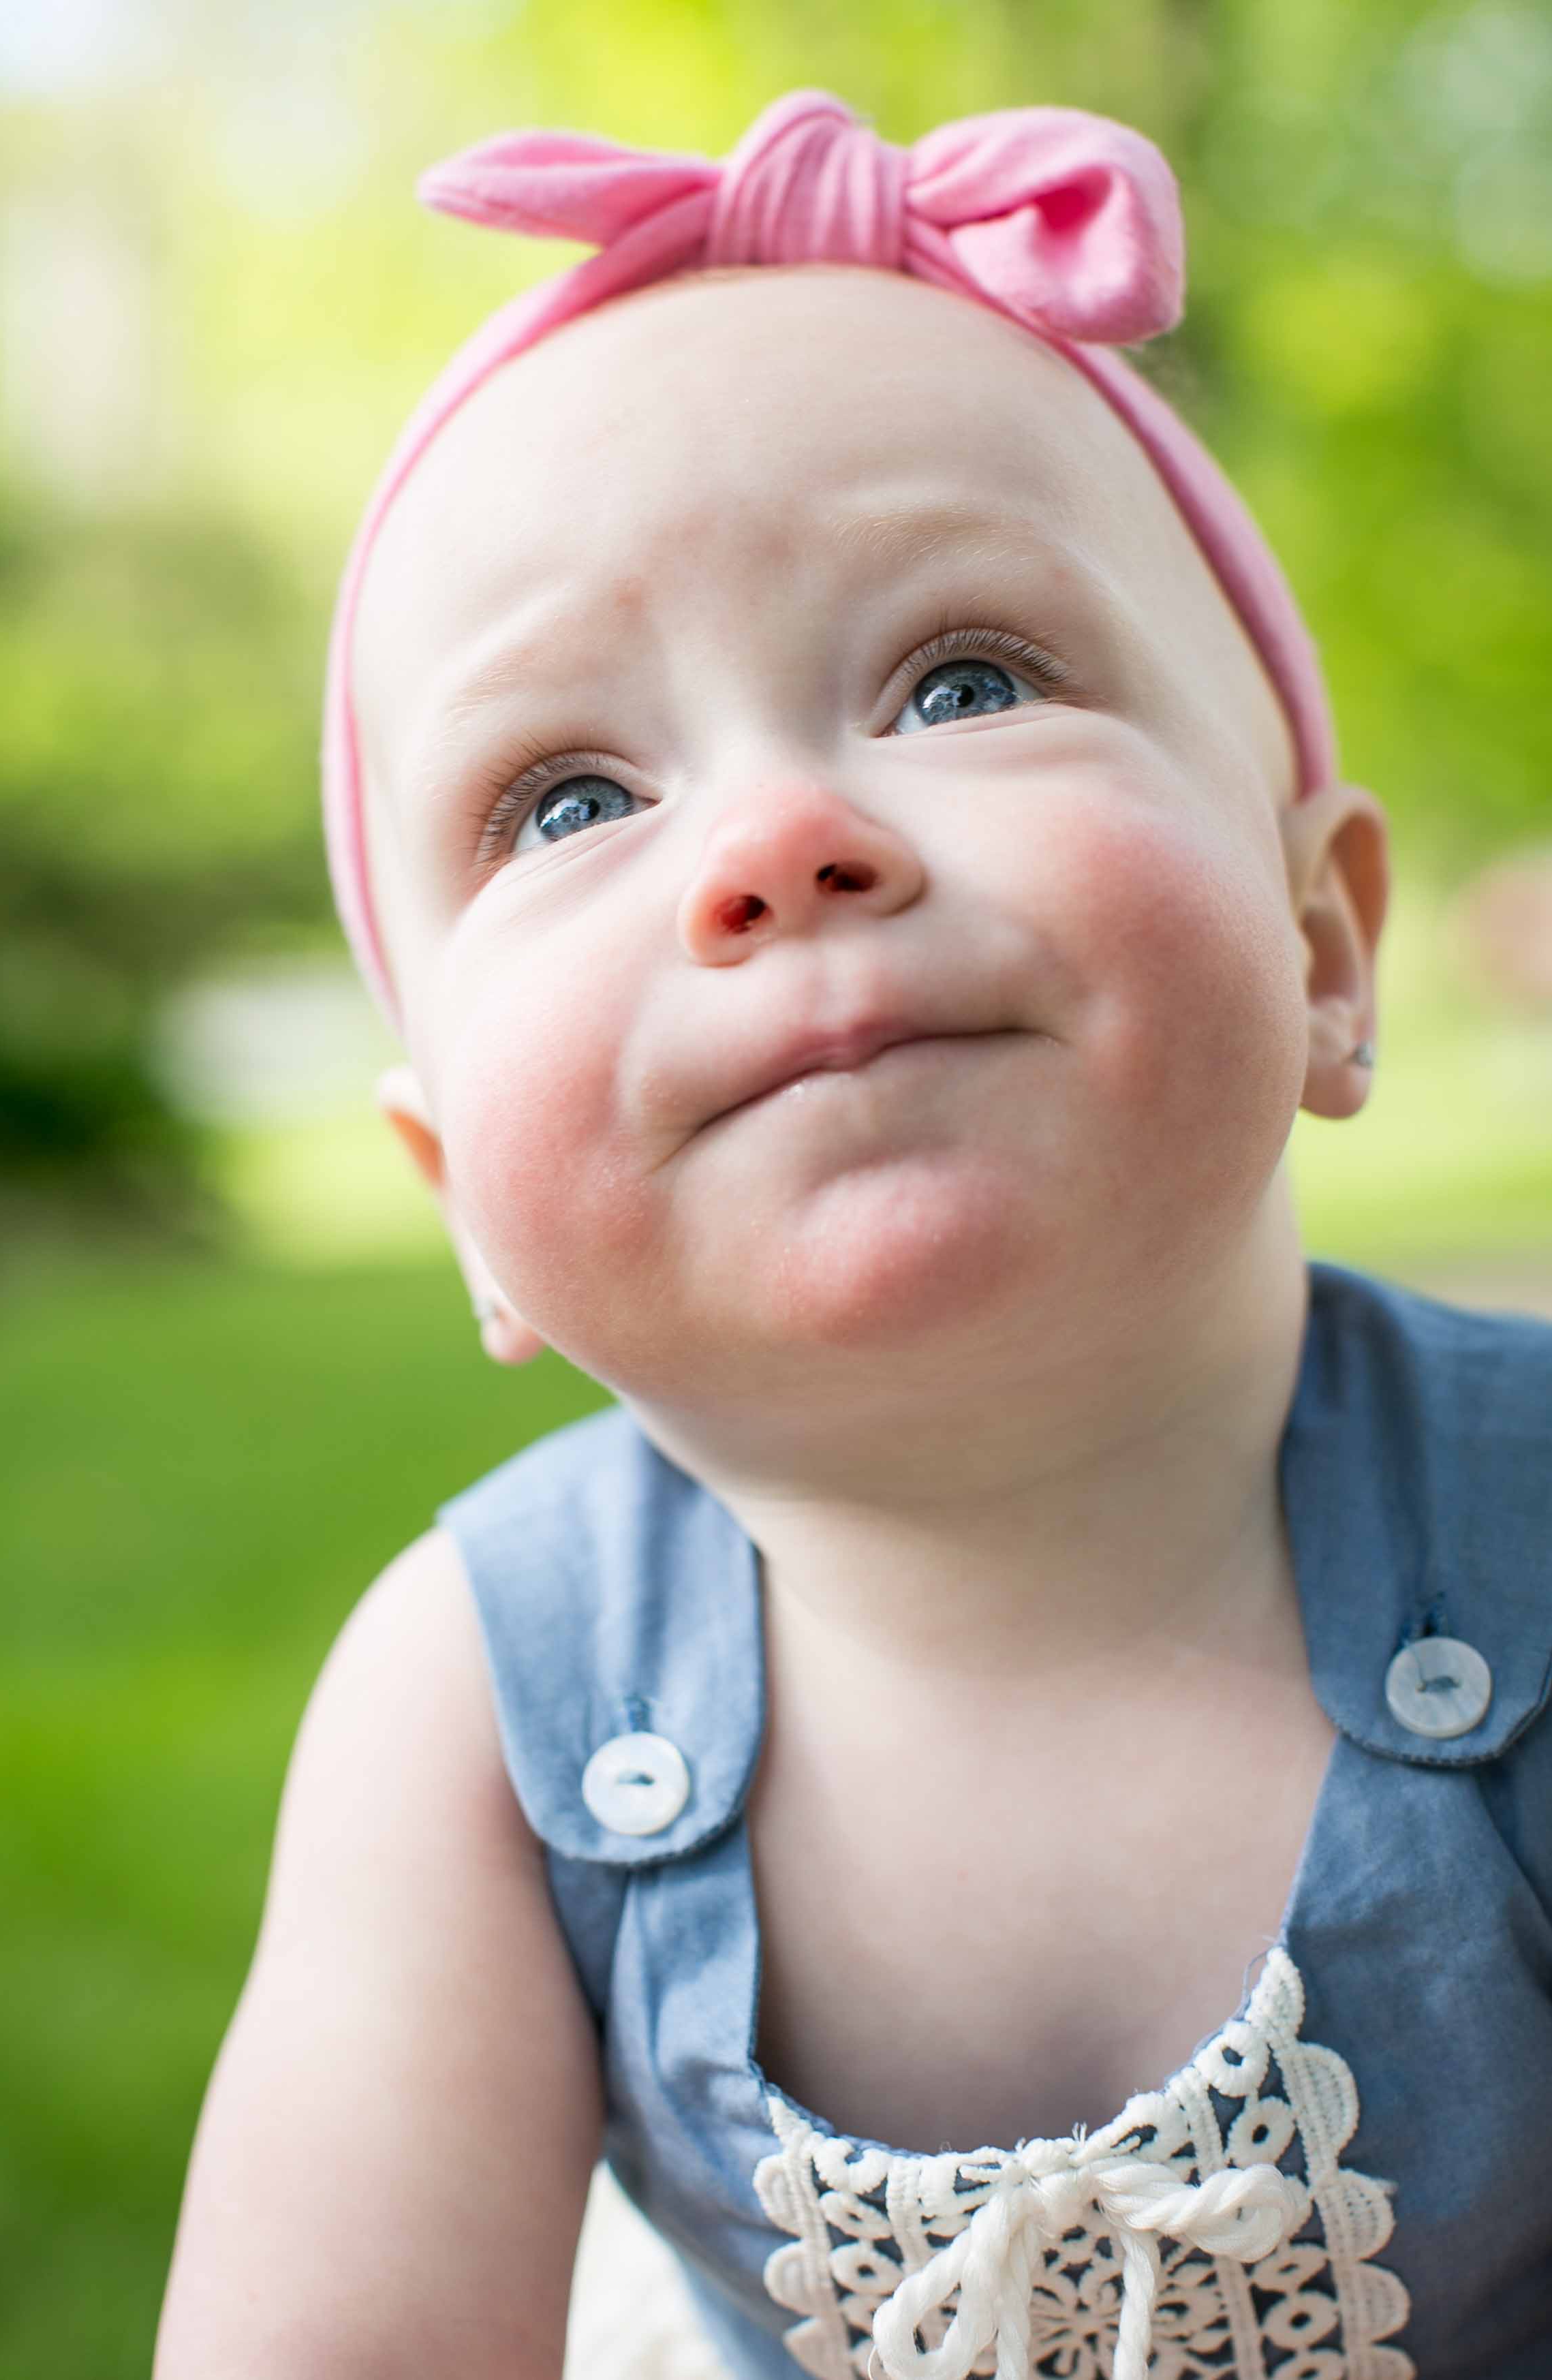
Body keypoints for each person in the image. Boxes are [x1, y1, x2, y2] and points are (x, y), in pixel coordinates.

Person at [153, 90, 1552, 2380]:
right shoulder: (476, 1707)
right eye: (568, 799)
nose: (781, 840)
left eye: (964, 682)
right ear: (462, 1203)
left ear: (1321, 948)